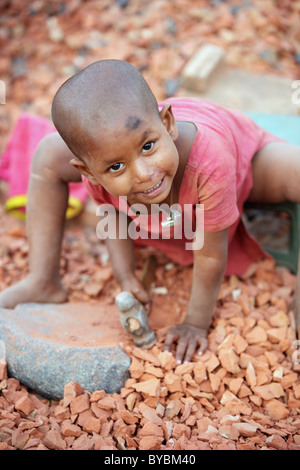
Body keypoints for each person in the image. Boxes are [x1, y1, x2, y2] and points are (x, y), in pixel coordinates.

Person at [0, 59, 299, 364]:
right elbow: (112, 213)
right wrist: (125, 275)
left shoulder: (211, 160)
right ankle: (42, 280)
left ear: (167, 124)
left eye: (148, 147)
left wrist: (195, 323)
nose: (144, 173)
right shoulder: (102, 164)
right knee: (49, 151)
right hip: (137, 167)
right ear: (87, 173)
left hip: (244, 156)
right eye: (116, 166)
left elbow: (209, 254)